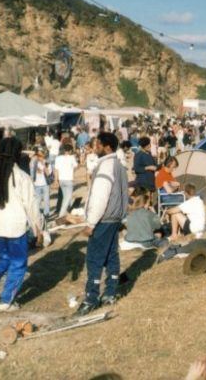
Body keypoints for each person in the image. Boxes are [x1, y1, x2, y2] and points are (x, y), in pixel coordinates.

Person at [75, 132, 129, 316]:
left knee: (95, 259)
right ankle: (111, 293)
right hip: (115, 219)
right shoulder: (120, 166)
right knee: (111, 257)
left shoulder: (106, 166)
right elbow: (124, 195)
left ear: (107, 147)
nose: (94, 147)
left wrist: (90, 223)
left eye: (97, 144)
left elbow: (100, 197)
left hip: (103, 220)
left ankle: (91, 298)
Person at [0, 137, 42, 312]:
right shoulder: (22, 177)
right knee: (18, 263)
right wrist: (38, 228)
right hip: (16, 228)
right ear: (17, 154)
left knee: (2, 259)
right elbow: (32, 205)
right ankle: (6, 301)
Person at [54, 144, 78, 218]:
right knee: (68, 198)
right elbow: (76, 166)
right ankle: (61, 215)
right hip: (69, 179)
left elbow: (56, 170)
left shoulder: (58, 158)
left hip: (61, 180)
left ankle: (66, 213)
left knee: (65, 197)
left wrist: (56, 180)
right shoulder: (72, 157)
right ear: (70, 150)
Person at [30, 147, 52, 220]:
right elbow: (31, 172)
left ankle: (46, 214)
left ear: (43, 155)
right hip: (36, 184)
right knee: (37, 200)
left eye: (40, 155)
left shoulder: (47, 163)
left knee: (46, 200)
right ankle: (38, 214)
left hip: (45, 184)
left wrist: (44, 165)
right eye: (38, 155)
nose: (39, 157)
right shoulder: (33, 162)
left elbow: (48, 174)